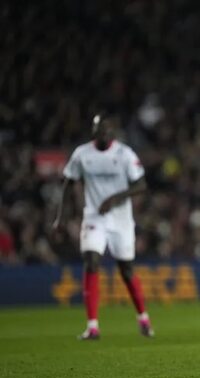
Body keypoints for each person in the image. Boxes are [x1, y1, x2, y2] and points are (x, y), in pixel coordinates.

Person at [53, 114, 154, 340]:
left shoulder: (124, 154)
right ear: (94, 132)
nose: (104, 135)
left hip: (121, 220)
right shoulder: (81, 154)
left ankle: (143, 318)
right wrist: (60, 218)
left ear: (113, 133)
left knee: (126, 271)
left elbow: (141, 185)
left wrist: (115, 198)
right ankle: (93, 326)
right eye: (100, 131)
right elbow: (68, 184)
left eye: (108, 132)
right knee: (91, 261)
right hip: (94, 217)